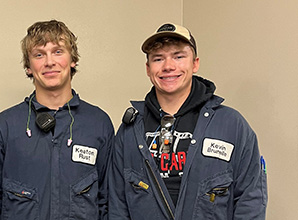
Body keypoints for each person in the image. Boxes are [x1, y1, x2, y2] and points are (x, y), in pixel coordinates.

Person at [108, 23, 267, 219]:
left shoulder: (232, 126)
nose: (168, 66)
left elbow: (250, 201)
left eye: (179, 56)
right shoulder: (130, 130)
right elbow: (117, 205)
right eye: (158, 59)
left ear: (195, 63)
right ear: (148, 69)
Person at [0, 20, 114, 219]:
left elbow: (109, 201)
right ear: (29, 67)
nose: (49, 62)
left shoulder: (99, 124)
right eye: (39, 54)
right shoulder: (4, 127)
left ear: (73, 60)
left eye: (58, 51)